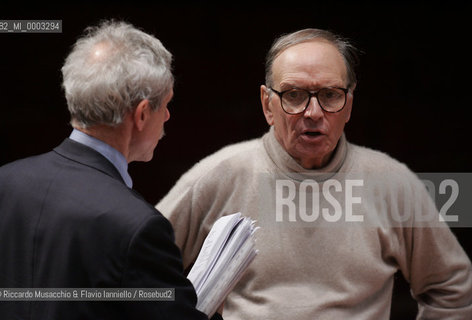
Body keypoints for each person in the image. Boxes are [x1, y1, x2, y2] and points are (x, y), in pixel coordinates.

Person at [157, 28, 472, 319]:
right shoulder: (219, 175)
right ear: (268, 104)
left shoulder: (393, 183)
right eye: (294, 95)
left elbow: (452, 288)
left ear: (349, 104)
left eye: (330, 95)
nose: (313, 113)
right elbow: (135, 267)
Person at [0, 20, 222, 320]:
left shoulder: (4, 182)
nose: (167, 115)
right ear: (141, 114)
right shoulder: (139, 227)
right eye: (166, 104)